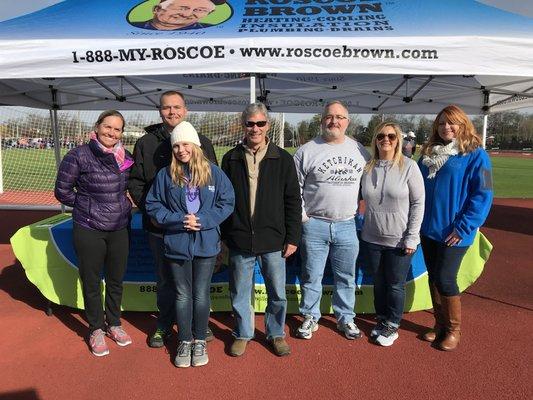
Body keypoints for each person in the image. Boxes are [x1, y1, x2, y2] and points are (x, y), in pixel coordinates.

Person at [128, 91, 217, 348]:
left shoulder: (203, 142)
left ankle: (198, 324)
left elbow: (212, 183)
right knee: (166, 279)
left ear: (185, 110)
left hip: (196, 229)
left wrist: (204, 218)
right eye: (167, 108)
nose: (172, 112)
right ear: (160, 111)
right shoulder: (146, 143)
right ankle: (165, 324)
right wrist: (156, 216)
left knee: (198, 282)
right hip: (160, 228)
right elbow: (136, 183)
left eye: (177, 107)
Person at [145, 121, 234, 367]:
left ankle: (199, 339)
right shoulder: (165, 175)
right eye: (176, 146)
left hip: (206, 244)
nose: (181, 150)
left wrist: (204, 220)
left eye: (185, 144)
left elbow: (227, 202)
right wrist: (177, 220)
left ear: (195, 145)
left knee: (201, 294)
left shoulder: (214, 173)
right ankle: (184, 340)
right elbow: (153, 205)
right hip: (176, 243)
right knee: (183, 294)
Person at [221, 103, 301, 357]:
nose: (255, 128)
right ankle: (243, 333)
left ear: (268, 125)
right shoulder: (230, 158)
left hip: (273, 238)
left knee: (276, 292)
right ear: (243, 125)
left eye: (260, 123)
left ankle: (276, 333)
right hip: (240, 238)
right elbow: (224, 199)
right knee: (240, 291)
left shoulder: (283, 158)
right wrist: (226, 234)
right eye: (250, 123)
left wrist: (293, 237)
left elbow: (292, 201)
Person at [54, 110, 134, 357]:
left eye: (117, 129)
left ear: (122, 133)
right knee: (90, 281)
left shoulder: (125, 157)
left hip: (119, 227)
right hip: (89, 228)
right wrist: (88, 205)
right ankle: (96, 329)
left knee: (115, 280)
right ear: (98, 127)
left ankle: (114, 323)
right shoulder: (78, 155)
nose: (112, 132)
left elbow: (127, 188)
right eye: (107, 127)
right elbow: (62, 191)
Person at [418, 105, 493, 351]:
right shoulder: (428, 154)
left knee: (446, 278)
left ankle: (453, 330)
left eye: (452, 123)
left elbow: (484, 194)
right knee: (433, 277)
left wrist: (464, 226)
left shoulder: (476, 155)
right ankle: (439, 324)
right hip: (429, 230)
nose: (446, 127)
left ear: (462, 125)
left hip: (455, 231)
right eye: (441, 123)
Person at [294, 100, 370, 340]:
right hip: (314, 224)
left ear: (347, 122)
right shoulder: (306, 151)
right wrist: (304, 218)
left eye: (339, 117)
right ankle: (310, 317)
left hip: (347, 224)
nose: (334, 121)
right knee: (311, 275)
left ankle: (345, 318)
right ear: (322, 121)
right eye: (329, 117)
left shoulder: (360, 151)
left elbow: (368, 187)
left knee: (346, 276)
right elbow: (294, 188)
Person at [360, 122, 425, 346]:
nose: (385, 140)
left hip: (399, 240)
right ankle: (381, 319)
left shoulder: (409, 167)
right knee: (378, 283)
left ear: (398, 140)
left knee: (395, 284)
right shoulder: (367, 168)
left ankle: (393, 324)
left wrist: (412, 236)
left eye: (391, 136)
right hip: (371, 237)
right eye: (381, 136)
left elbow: (418, 203)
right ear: (375, 140)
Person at [131, 0, 224, 31]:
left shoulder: (215, 32)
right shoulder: (129, 29)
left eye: (199, 10)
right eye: (182, 8)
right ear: (157, 9)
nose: (187, 14)